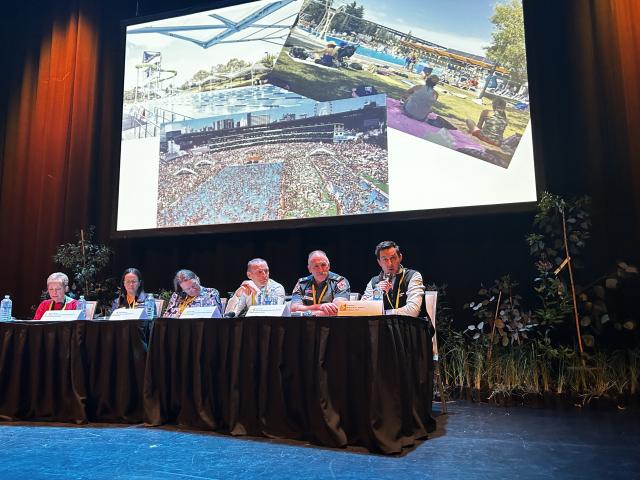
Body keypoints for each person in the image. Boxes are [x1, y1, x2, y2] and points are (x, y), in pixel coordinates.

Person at [361, 241, 425, 317]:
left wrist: (383, 314)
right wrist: (377, 294)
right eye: (385, 259)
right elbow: (362, 309)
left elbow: (413, 311)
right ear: (379, 262)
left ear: (400, 257)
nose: (390, 264)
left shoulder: (413, 276)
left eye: (393, 258)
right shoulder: (373, 282)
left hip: (407, 324)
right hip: (381, 324)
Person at [291, 250, 350, 316]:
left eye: (323, 265)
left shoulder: (339, 281)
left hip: (331, 321)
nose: (320, 270)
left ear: (329, 266)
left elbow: (338, 309)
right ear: (309, 269)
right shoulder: (301, 283)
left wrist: (310, 313)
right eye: (316, 266)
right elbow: (294, 309)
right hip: (305, 321)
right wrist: (319, 306)